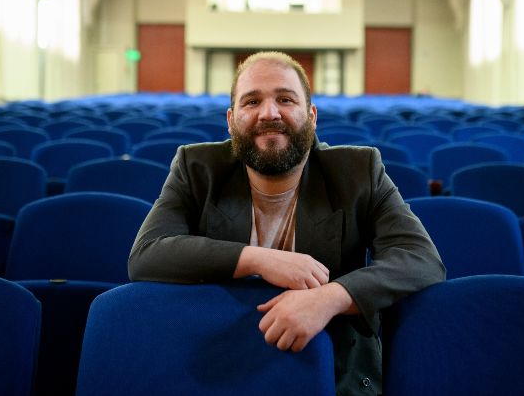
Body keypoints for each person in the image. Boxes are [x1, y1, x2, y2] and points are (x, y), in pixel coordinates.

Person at [128, 51, 445, 395]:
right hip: (221, 359)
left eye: (285, 99)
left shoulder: (359, 171)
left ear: (311, 116)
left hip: (333, 368)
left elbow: (419, 258)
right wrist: (258, 259)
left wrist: (332, 297)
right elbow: (147, 254)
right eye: (252, 101)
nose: (269, 113)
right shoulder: (196, 167)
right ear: (231, 120)